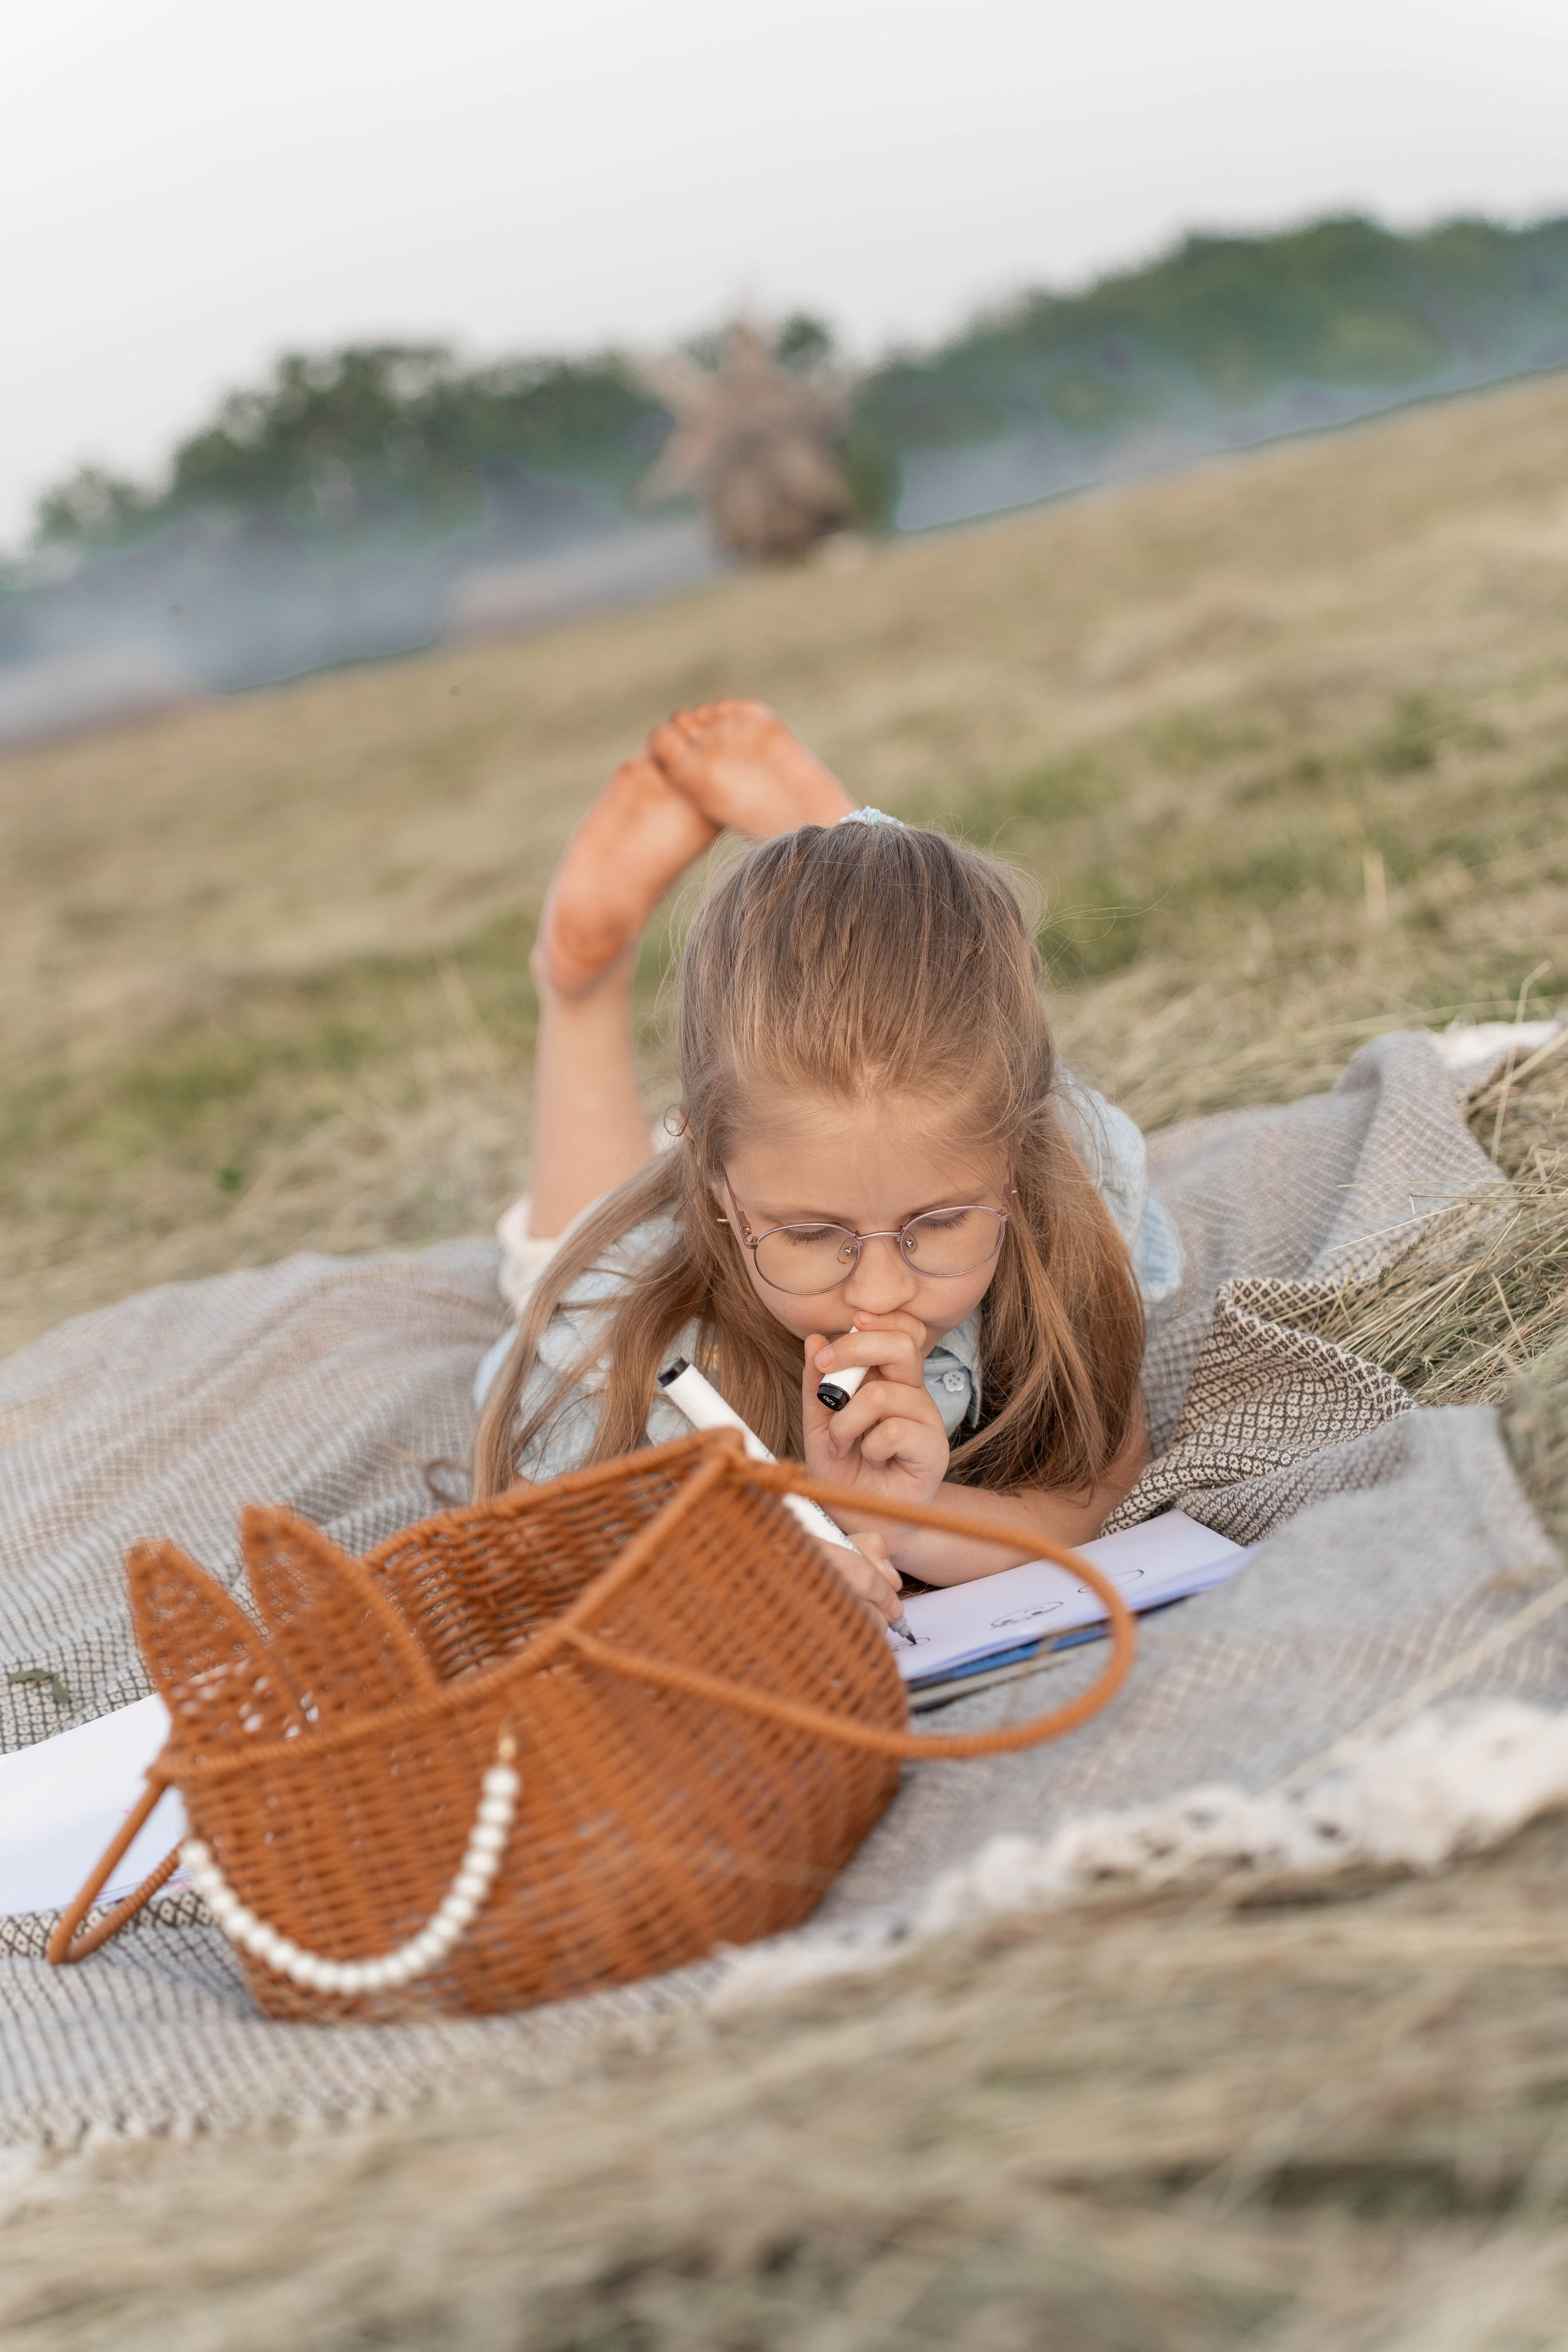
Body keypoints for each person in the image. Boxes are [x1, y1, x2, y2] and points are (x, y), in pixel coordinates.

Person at [473, 701, 1183, 1628]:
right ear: (715, 1181)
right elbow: (535, 1578)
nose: (879, 1293)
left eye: (940, 1223)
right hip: (665, 1256)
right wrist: (751, 1583)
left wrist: (905, 1521)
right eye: (812, 1236)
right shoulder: (619, 1349)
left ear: (1019, 1155)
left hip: (850, 1125)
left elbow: (1100, 1492)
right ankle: (583, 991)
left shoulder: (1070, 1183)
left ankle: (848, 880)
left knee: (900, 1073)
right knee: (558, 1253)